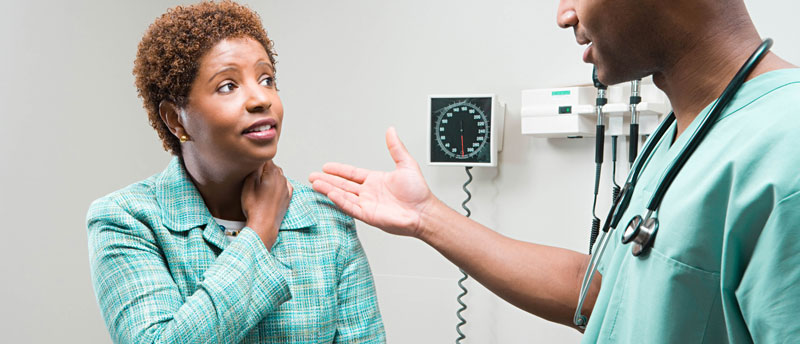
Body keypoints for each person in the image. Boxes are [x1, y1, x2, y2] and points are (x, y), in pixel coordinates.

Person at [309, 0, 800, 342]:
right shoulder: (681, 132)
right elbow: (604, 296)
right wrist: (426, 216)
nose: (564, 15)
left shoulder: (786, 154)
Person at [86, 2, 385, 343]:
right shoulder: (127, 220)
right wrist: (258, 234)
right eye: (228, 85)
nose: (261, 98)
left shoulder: (327, 219)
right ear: (175, 119)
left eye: (267, 78)